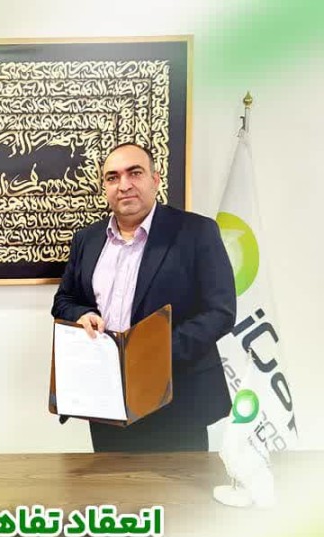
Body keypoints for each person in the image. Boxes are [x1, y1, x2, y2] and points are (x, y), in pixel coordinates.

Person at [51, 143, 236, 452]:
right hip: (104, 397)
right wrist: (82, 314)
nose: (124, 185)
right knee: (112, 479)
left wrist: (155, 353)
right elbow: (64, 300)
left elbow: (220, 311)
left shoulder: (196, 232)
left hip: (176, 398)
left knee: (177, 484)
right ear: (105, 187)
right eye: (112, 177)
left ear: (155, 179)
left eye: (134, 173)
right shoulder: (87, 239)